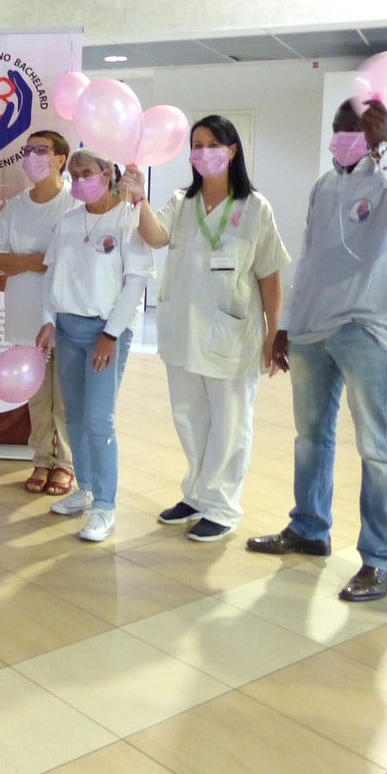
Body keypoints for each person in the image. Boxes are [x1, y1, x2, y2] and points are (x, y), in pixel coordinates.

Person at [246, 99, 387, 602]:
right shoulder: (324, 185)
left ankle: (380, 559)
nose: (345, 136)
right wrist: (286, 324)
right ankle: (309, 528)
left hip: (368, 328)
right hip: (312, 329)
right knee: (310, 436)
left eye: (357, 128)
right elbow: (310, 257)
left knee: (377, 446)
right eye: (340, 128)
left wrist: (385, 149)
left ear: (378, 132)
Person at [120, 116, 290, 543]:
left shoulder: (254, 208)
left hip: (232, 334)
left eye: (212, 144)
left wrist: (273, 333)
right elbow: (155, 237)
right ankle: (196, 494)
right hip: (184, 330)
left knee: (229, 422)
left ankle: (222, 505)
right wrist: (138, 198)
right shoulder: (182, 201)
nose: (201, 152)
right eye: (195, 145)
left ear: (232, 150)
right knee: (190, 418)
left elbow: (269, 275)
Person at [36, 150, 153, 541]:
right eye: (74, 174)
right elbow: (53, 276)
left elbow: (136, 282)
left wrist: (111, 334)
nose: (79, 180)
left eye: (87, 173)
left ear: (107, 174)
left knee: (99, 420)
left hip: (106, 333)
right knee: (75, 415)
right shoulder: (68, 222)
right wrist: (49, 323)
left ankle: (105, 505)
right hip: (67, 329)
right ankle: (83, 489)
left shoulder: (127, 219)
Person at [0, 130, 78, 495]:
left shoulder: (75, 204)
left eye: (41, 150)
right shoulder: (14, 206)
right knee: (39, 399)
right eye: (27, 151)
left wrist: (42, 262)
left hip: (67, 314)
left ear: (60, 159)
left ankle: (67, 465)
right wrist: (34, 259)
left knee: (66, 397)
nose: (32, 157)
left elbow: (79, 261)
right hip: (25, 312)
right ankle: (41, 460)